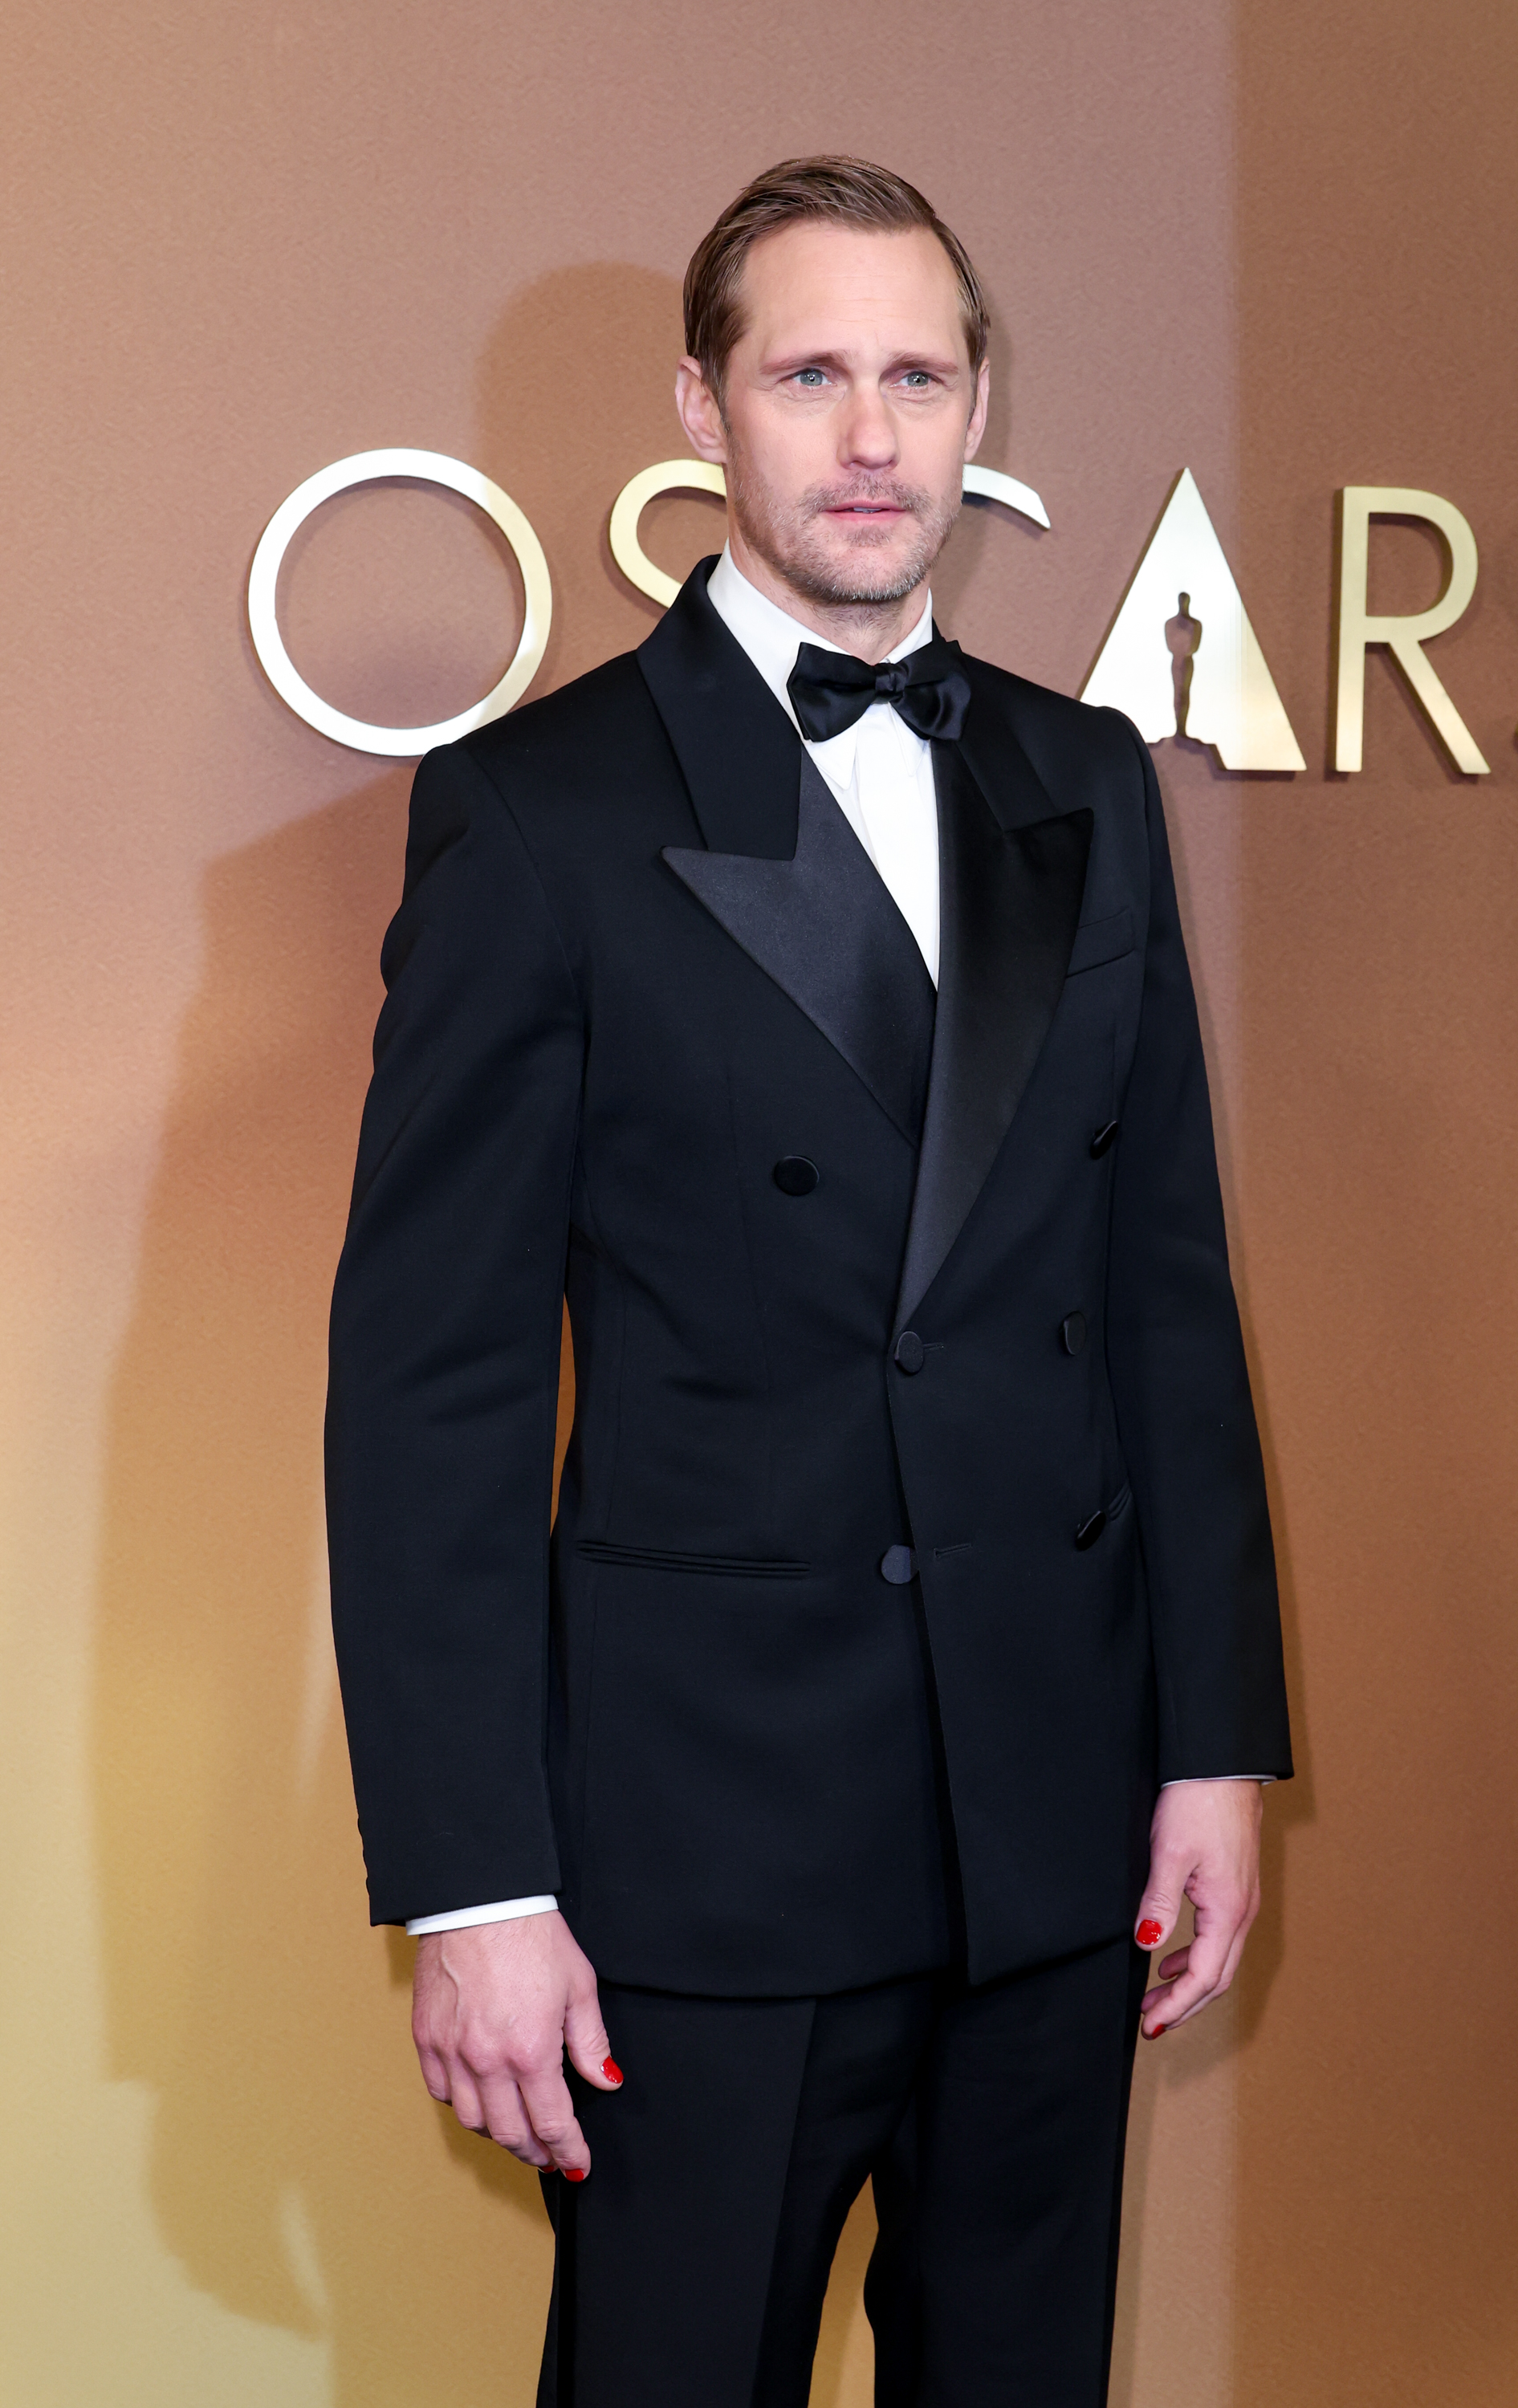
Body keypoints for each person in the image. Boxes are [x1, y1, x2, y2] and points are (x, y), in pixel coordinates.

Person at [325, 154, 1292, 2408]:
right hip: (704, 1853)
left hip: (1050, 1827)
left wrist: (1214, 1747)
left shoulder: (1082, 782)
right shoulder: (536, 811)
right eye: (812, 374)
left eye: (921, 375)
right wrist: (473, 1885)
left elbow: (1163, 1290)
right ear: (706, 408)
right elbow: (434, 1393)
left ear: (979, 409)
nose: (873, 436)